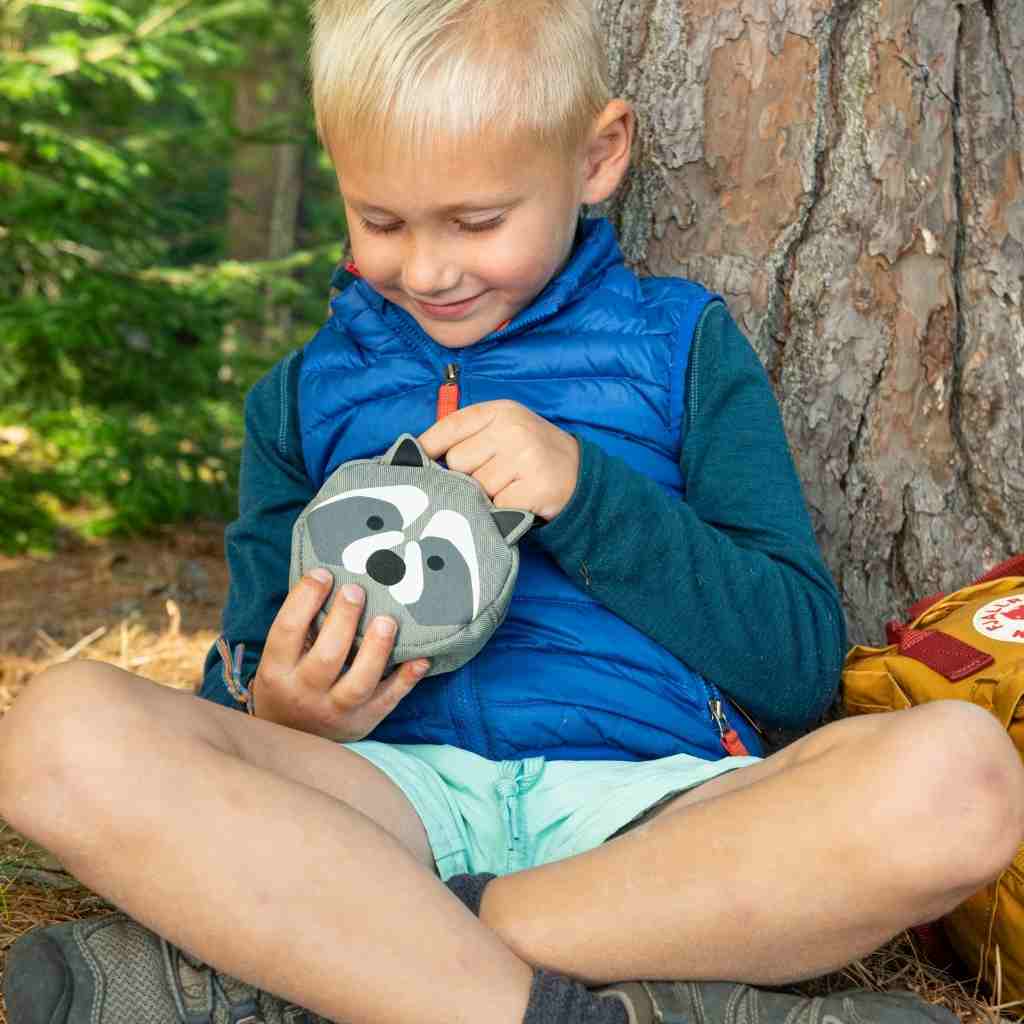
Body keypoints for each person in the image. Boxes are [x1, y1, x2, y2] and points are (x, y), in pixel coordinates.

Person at [2, 2, 1022, 1023]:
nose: (426, 270)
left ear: (597, 157)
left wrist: (586, 492)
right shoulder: (302, 396)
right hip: (376, 803)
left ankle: (345, 964)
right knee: (54, 733)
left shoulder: (680, 347)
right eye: (380, 222)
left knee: (961, 780)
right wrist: (279, 707)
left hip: (656, 815)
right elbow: (245, 668)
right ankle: (569, 1006)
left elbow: (794, 664)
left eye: (477, 222)